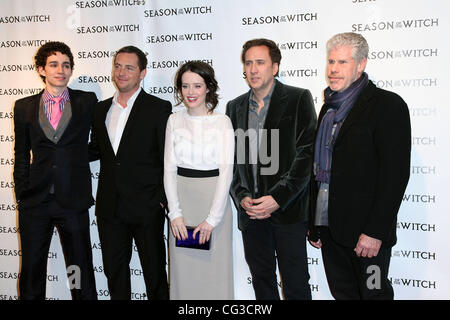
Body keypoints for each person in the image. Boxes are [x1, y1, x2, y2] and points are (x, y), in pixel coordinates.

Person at [308, 32, 411, 300]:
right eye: (331, 61)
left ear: (361, 64)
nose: (333, 69)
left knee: (375, 294)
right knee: (343, 295)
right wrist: (316, 224)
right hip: (331, 230)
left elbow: (395, 175)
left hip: (367, 235)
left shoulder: (388, 105)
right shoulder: (328, 109)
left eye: (342, 62)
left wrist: (375, 232)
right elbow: (321, 173)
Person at [226, 38, 317, 300]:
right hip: (252, 214)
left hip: (287, 212)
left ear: (275, 67)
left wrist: (277, 198)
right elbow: (232, 161)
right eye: (248, 63)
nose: (253, 69)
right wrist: (242, 197)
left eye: (260, 62)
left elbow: (305, 154)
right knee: (262, 282)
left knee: (296, 282)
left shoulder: (298, 99)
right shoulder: (234, 107)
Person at [13, 41, 97, 300]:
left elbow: (99, 145)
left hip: (72, 201)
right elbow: (20, 154)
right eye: (53, 64)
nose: (61, 70)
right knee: (32, 268)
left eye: (66, 65)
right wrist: (22, 194)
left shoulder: (86, 101)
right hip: (35, 202)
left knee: (77, 267)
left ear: (71, 70)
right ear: (41, 69)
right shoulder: (24, 106)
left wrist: (75, 160)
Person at [89, 46, 171, 300]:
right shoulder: (100, 109)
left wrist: (161, 199)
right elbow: (95, 150)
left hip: (147, 207)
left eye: (129, 67)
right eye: (117, 66)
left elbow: (168, 157)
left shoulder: (159, 107)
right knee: (115, 275)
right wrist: (56, 152)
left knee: (155, 275)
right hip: (110, 208)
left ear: (142, 73)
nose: (121, 72)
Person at [164, 61, 234, 299]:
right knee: (183, 272)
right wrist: (174, 214)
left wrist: (212, 219)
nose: (190, 92)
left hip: (214, 203)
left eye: (197, 85)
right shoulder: (174, 120)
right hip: (181, 205)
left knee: (214, 272)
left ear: (208, 88)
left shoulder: (222, 121)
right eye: (185, 86)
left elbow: (226, 172)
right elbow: (169, 169)